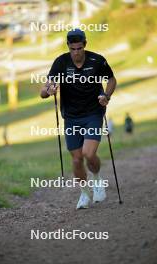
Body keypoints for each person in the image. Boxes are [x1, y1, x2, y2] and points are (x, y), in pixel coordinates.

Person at [40, 29, 117, 209]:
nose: (76, 52)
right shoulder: (61, 63)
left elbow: (112, 80)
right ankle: (84, 194)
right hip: (72, 116)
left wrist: (106, 95)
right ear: (68, 47)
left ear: (85, 45)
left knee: (88, 154)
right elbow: (45, 90)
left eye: (79, 48)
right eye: (73, 49)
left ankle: (97, 181)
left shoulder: (97, 60)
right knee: (76, 160)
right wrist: (48, 91)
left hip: (93, 113)